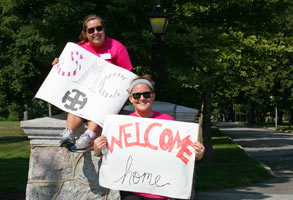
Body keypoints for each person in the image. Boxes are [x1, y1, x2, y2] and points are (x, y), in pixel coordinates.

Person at [94, 75, 205, 200]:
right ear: (130, 98)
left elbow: (179, 154)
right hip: (130, 188)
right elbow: (107, 154)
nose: (142, 98)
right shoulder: (121, 124)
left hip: (160, 191)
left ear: (153, 96)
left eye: (146, 94)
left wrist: (197, 154)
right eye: (137, 95)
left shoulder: (167, 121)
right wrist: (98, 149)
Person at [52, 14, 133, 152]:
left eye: (99, 28)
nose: (96, 32)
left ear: (104, 29)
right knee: (76, 106)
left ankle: (89, 135)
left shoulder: (117, 47)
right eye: (91, 30)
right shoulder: (79, 48)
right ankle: (68, 134)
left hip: (107, 96)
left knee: (98, 107)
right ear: (85, 33)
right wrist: (59, 64)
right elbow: (70, 68)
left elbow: (128, 76)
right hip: (85, 92)